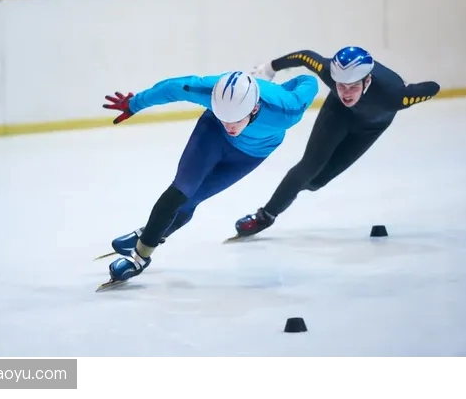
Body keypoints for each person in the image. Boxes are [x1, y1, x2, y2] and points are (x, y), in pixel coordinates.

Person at [100, 69, 319, 285]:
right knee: (181, 191)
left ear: (254, 108)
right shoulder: (209, 90)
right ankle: (140, 257)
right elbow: (170, 88)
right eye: (223, 116)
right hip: (213, 134)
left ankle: (150, 232)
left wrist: (278, 89)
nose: (230, 126)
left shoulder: (287, 109)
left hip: (250, 154)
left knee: (191, 200)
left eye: (236, 119)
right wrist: (134, 104)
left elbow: (308, 80)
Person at [234, 46, 441, 237]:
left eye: (353, 87)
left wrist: (407, 90)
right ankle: (265, 216)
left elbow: (433, 87)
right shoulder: (328, 72)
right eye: (341, 86)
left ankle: (294, 188)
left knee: (315, 182)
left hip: (370, 128)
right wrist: (270, 67)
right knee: (309, 167)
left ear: (367, 81)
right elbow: (305, 56)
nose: (346, 94)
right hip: (338, 113)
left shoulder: (394, 96)